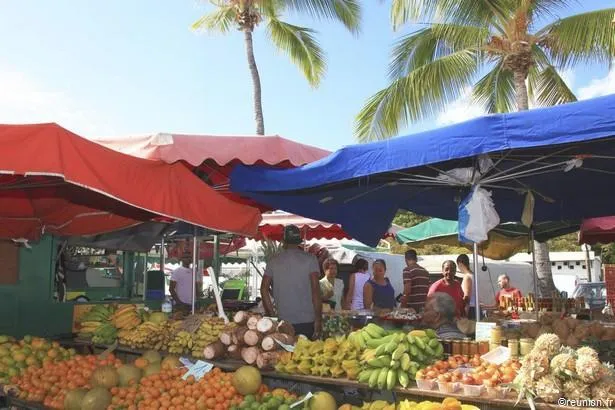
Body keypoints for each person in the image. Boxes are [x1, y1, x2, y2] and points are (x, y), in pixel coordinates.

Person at [260, 225, 322, 339]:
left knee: (285, 356)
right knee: (305, 354)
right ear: (299, 241)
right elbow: (316, 291)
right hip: (307, 321)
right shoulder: (311, 259)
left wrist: (272, 315)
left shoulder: (273, 261)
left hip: (282, 322)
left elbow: (264, 289)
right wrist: (318, 319)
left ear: (283, 241)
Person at [457, 254, 477, 318]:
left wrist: (465, 313)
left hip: (470, 310)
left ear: (460, 264)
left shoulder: (467, 277)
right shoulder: (474, 275)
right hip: (475, 308)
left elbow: (467, 297)